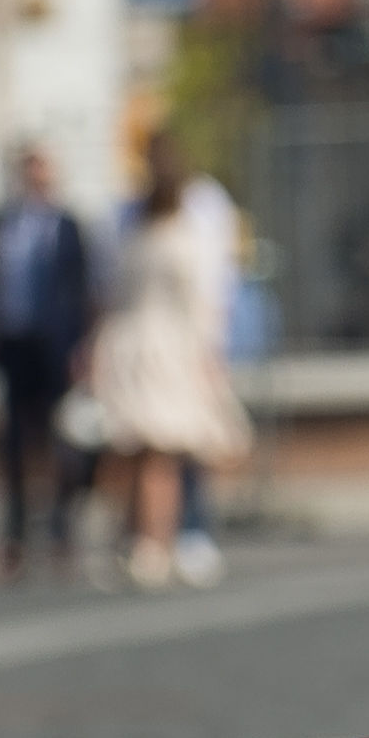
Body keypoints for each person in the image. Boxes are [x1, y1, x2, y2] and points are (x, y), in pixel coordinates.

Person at [89, 136, 249, 589]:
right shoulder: (136, 226)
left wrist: (208, 353)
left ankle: (161, 540)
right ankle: (146, 540)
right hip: (149, 348)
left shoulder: (175, 226)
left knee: (158, 453)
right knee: (142, 454)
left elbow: (204, 298)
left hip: (160, 350)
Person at [0, 144, 96, 580]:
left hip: (55, 347)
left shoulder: (67, 226)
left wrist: (83, 347)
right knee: (14, 447)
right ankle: (16, 537)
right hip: (14, 345)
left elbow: (80, 290)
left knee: (63, 443)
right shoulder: (2, 224)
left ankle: (62, 529)